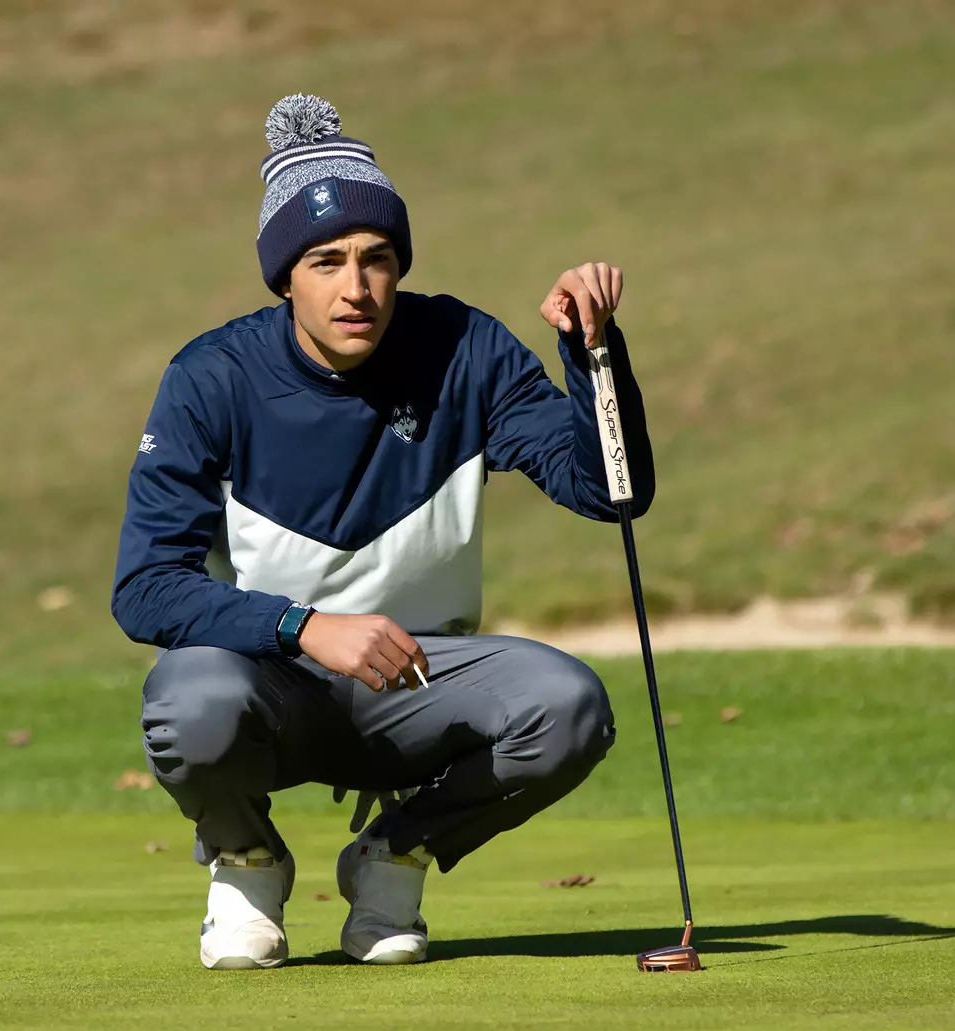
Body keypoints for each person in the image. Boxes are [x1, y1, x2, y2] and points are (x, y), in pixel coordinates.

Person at [112, 94, 653, 969]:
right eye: (325, 261)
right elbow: (144, 588)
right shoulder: (211, 375)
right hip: (273, 683)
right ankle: (247, 865)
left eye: (377, 259)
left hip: (423, 681)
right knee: (187, 702)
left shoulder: (464, 349)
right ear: (285, 275)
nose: (355, 287)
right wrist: (304, 627)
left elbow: (610, 494)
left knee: (569, 705)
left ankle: (393, 856)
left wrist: (594, 354)